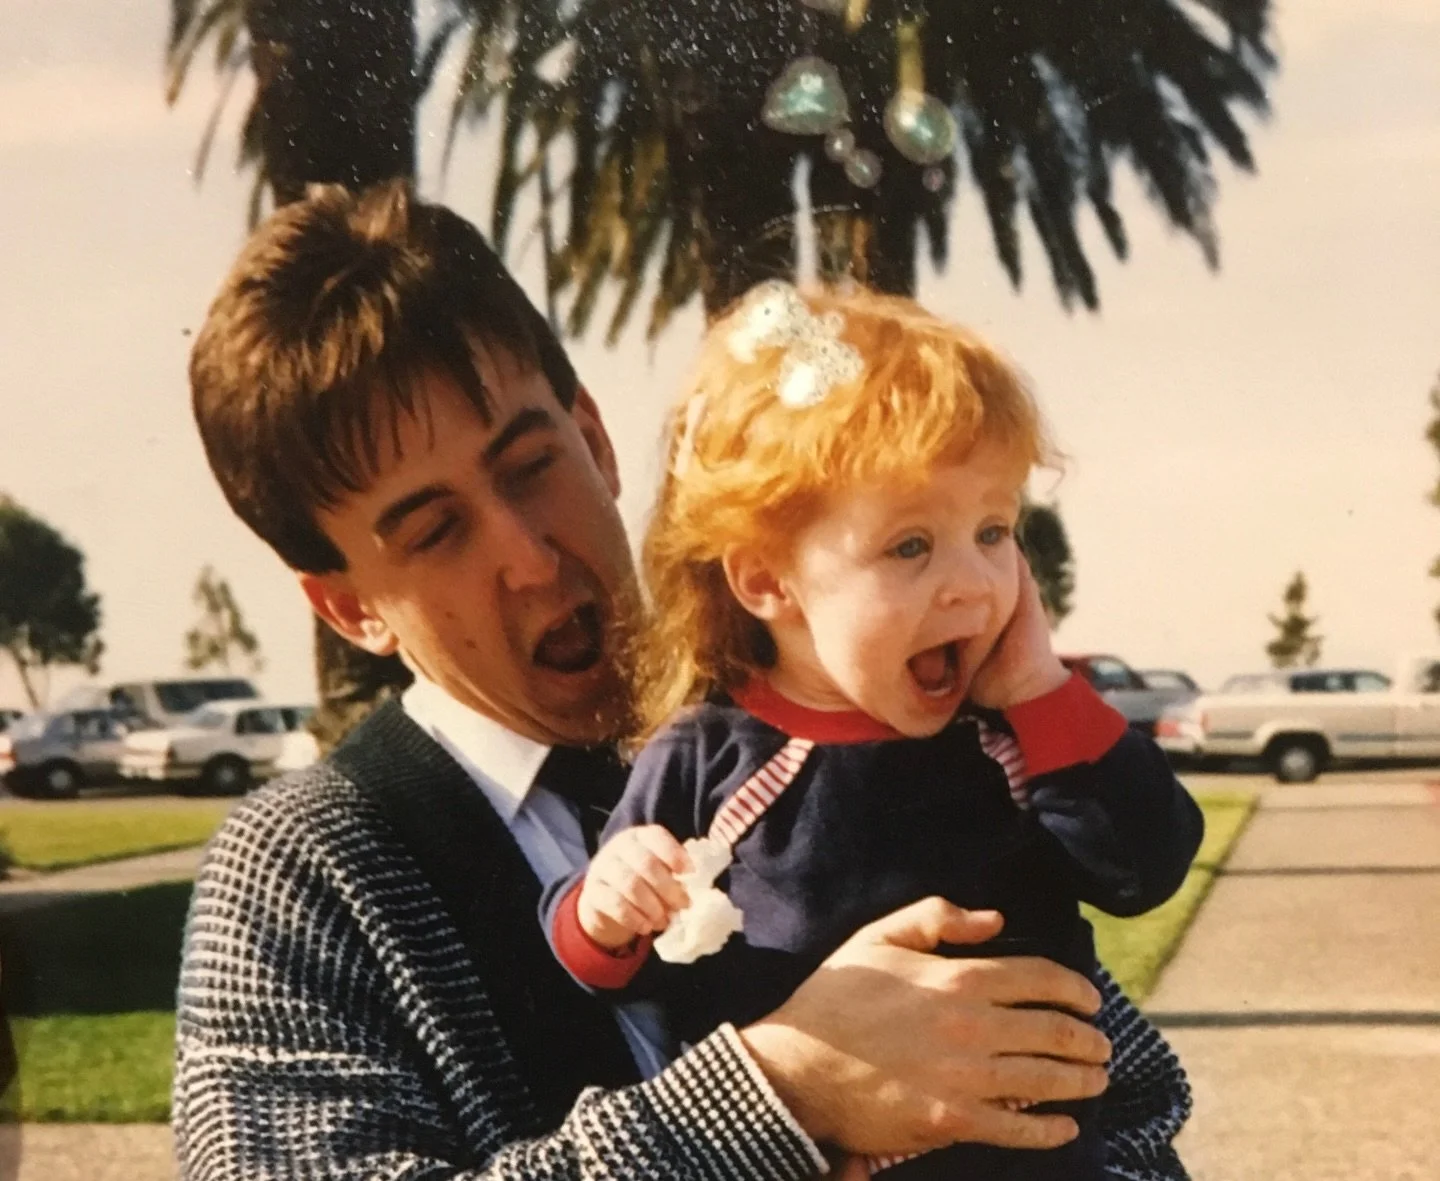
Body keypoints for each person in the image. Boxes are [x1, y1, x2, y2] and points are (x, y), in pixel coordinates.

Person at [173, 180, 1189, 1180]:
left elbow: (1133, 1109)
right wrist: (780, 1090)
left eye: (531, 464)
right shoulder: (305, 874)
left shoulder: (884, 724)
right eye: (437, 531)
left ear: (597, 437)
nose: (528, 555)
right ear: (349, 607)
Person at [544, 285, 1204, 1180]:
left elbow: (1145, 865)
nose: (973, 583)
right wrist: (606, 904)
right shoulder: (709, 756)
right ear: (767, 580)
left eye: (994, 530)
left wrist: (1039, 688)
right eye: (910, 546)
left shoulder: (1006, 735)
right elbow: (608, 965)